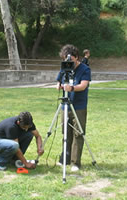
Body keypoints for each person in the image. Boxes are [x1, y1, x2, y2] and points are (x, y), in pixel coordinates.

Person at [56, 44, 91, 172]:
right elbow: (58, 81)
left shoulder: (85, 69)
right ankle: (64, 158)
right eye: (65, 59)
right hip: (66, 106)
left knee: (78, 134)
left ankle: (75, 162)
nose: (68, 62)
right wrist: (59, 85)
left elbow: (83, 85)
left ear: (76, 57)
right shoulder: (64, 67)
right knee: (66, 133)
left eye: (70, 60)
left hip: (79, 106)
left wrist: (72, 88)